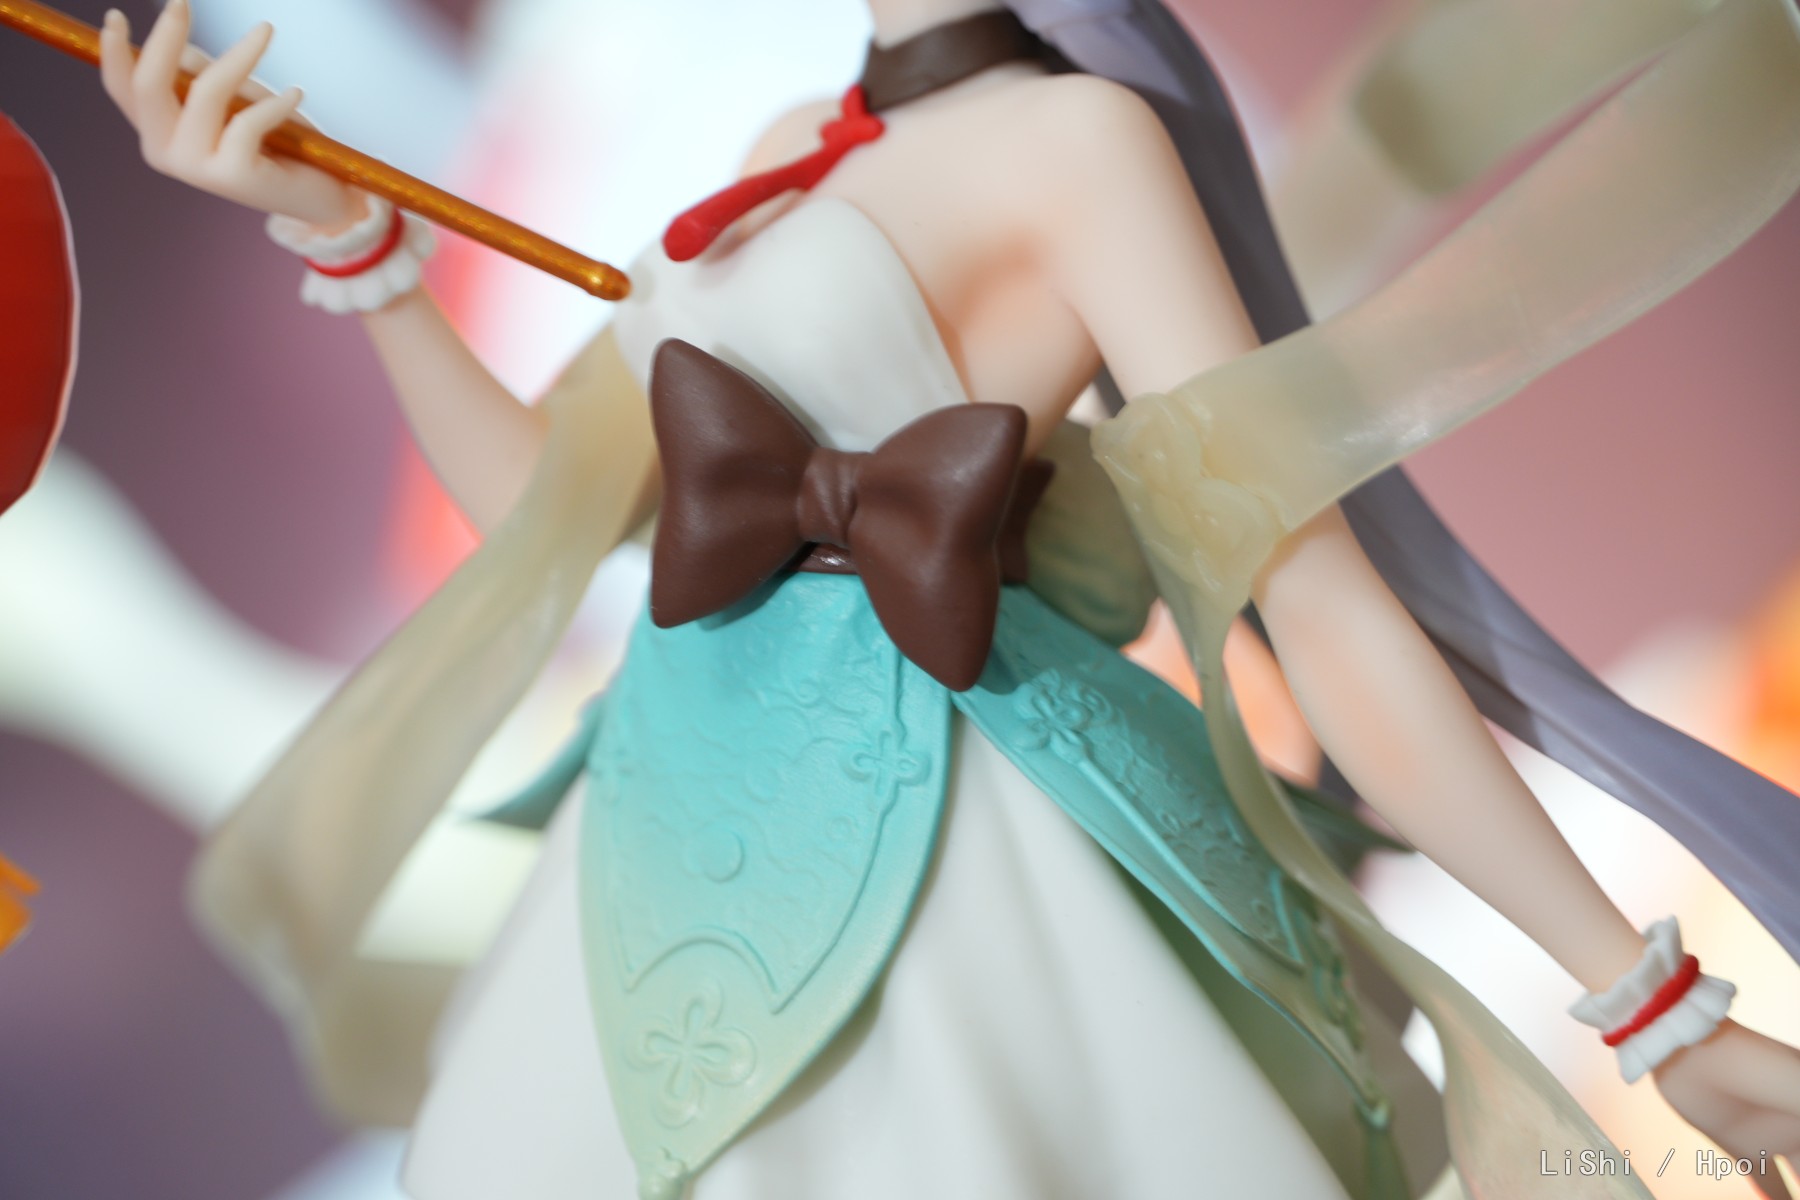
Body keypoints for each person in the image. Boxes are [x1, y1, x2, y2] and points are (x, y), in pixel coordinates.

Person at [95, 1, 1800, 1197]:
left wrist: (1642, 999)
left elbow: (1319, 596)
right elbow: (557, 513)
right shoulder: (781, 148)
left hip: (963, 841)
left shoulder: (1077, 145)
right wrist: (350, 241)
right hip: (667, 844)